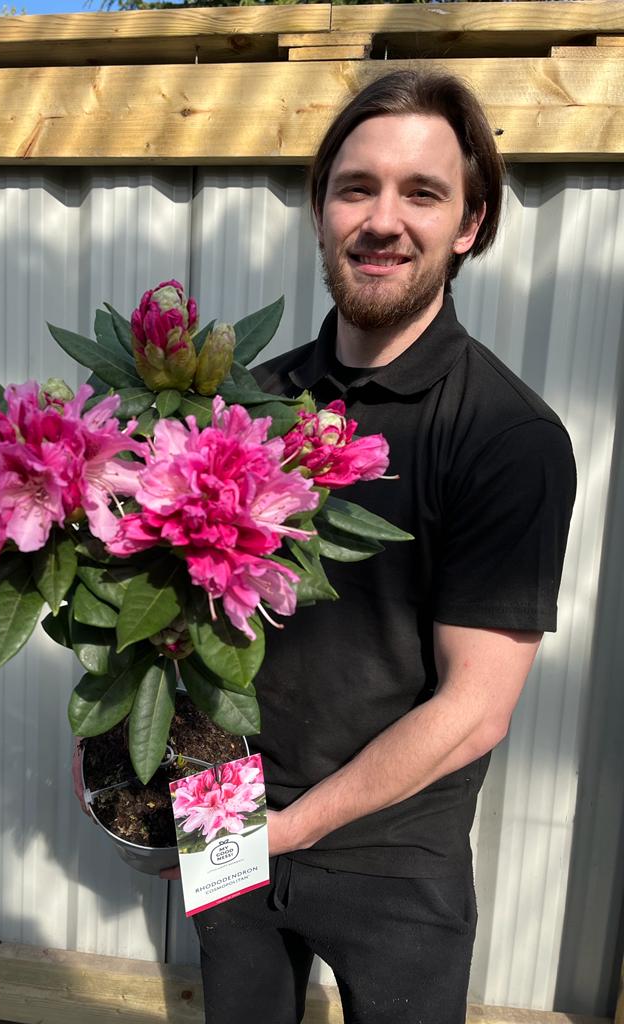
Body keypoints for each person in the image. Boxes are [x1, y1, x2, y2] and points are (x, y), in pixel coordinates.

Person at [188, 69, 577, 1024]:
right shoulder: (251, 400)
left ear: (470, 223)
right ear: (321, 209)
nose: (382, 220)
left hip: (395, 856)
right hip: (231, 804)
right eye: (356, 188)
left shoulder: (506, 436)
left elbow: (475, 711)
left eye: (422, 193)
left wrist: (290, 829)